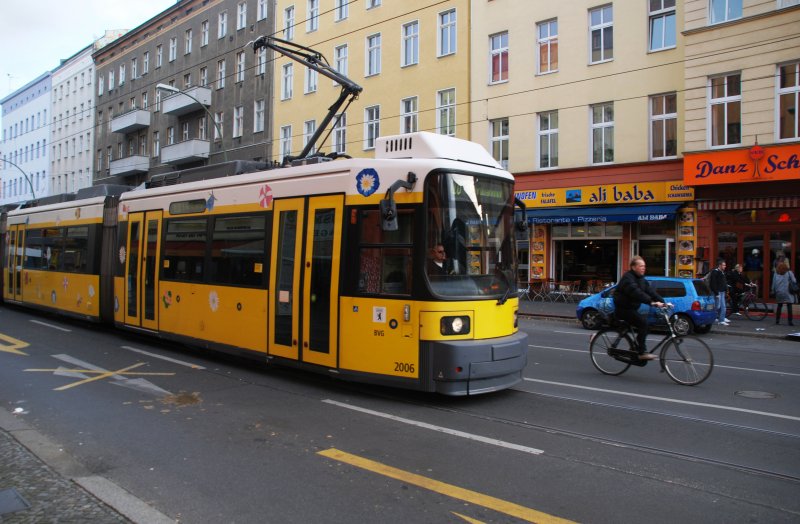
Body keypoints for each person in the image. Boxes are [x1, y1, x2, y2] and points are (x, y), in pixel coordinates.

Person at [613, 256, 667, 360]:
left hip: (632, 308)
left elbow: (650, 291)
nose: (643, 268)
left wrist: (663, 302)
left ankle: (634, 349)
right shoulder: (628, 278)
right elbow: (636, 292)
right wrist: (651, 302)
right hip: (623, 309)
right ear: (633, 267)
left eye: (644, 266)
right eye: (641, 266)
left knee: (645, 325)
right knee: (644, 324)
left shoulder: (641, 279)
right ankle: (641, 352)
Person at [708, 259, 729, 325]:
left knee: (722, 306)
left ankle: (721, 319)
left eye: (725, 265)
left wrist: (726, 289)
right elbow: (713, 283)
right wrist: (716, 293)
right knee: (717, 307)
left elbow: (723, 282)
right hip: (718, 292)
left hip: (722, 292)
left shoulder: (722, 272)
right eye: (723, 265)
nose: (725, 266)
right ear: (719, 265)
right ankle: (714, 318)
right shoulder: (715, 272)